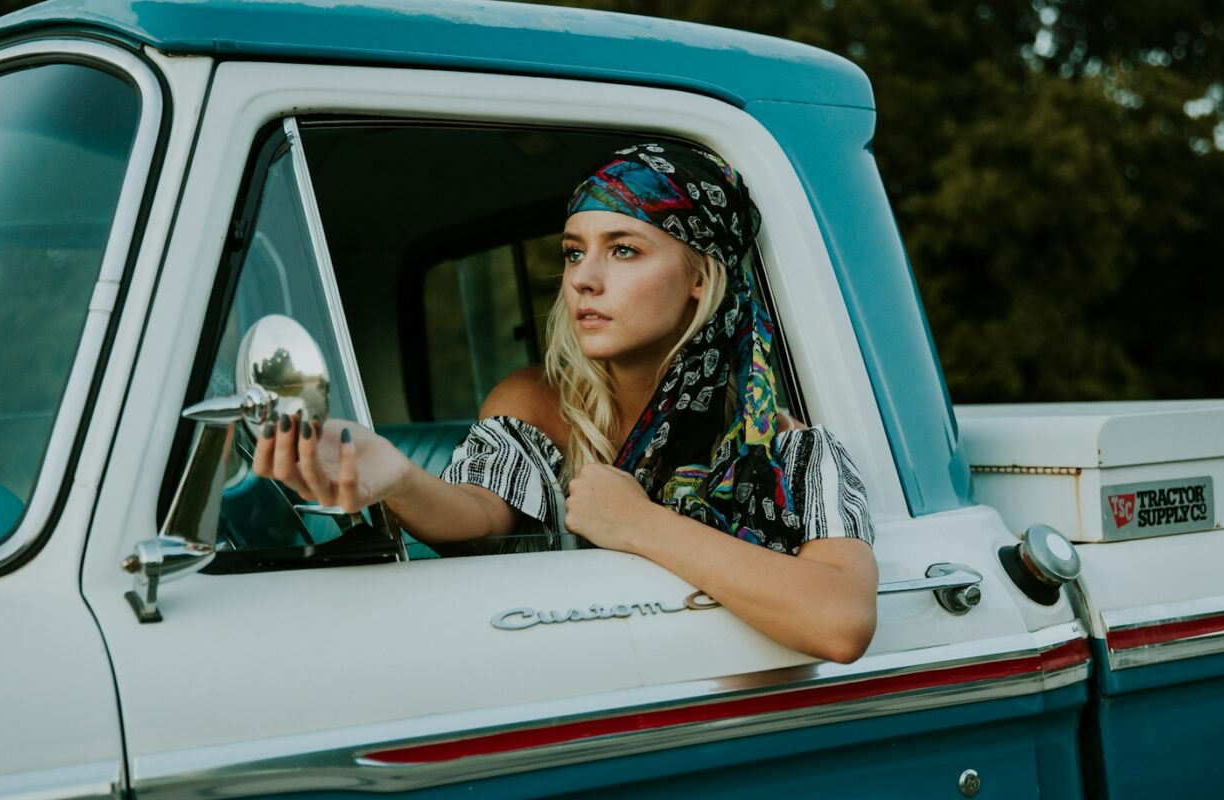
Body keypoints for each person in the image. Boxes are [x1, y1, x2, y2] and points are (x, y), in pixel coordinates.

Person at [253, 141, 879, 663]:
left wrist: (639, 523)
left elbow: (841, 623)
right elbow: (481, 513)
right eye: (575, 252)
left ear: (700, 276)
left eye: (624, 249)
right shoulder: (533, 402)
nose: (582, 278)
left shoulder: (787, 451)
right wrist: (398, 477)